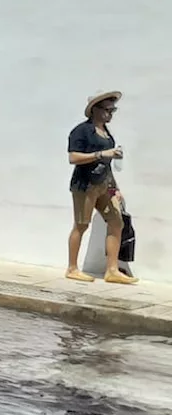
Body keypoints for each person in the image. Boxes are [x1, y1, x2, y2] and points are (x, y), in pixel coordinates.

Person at [66, 91, 136, 284]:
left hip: (104, 184)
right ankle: (72, 268)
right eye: (107, 110)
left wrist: (115, 188)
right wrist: (101, 154)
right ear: (94, 110)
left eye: (113, 110)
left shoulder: (107, 134)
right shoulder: (81, 131)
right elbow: (73, 157)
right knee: (81, 225)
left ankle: (112, 270)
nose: (110, 114)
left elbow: (108, 164)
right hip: (85, 184)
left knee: (116, 222)